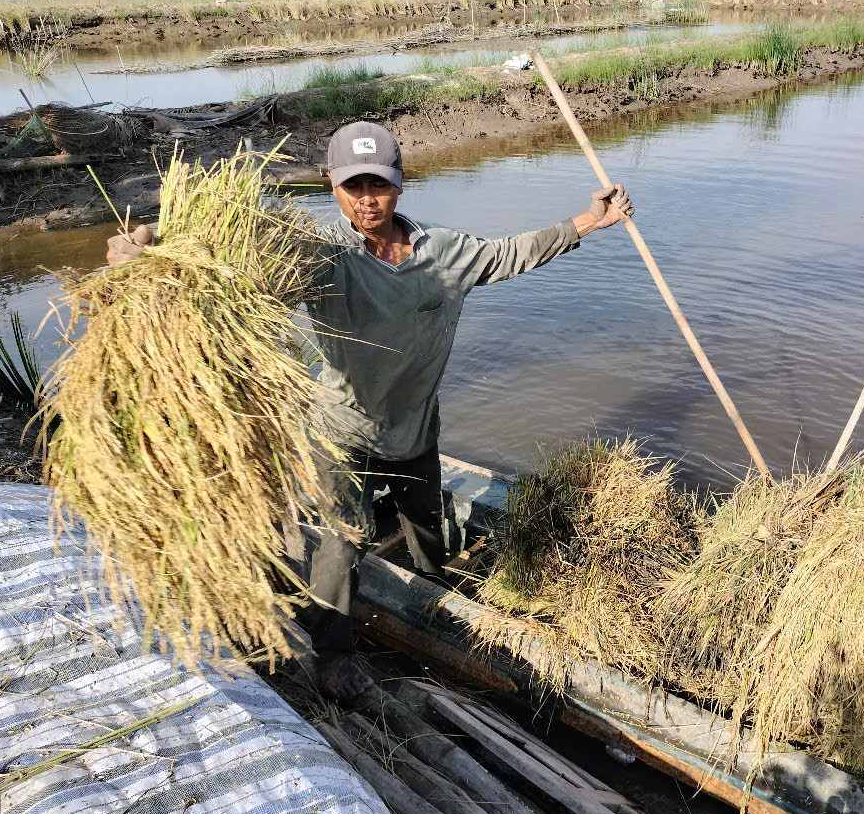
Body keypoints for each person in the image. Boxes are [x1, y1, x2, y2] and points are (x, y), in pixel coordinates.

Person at [107, 121, 634, 699]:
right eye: (351, 187)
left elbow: (512, 253)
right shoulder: (318, 257)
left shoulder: (444, 252)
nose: (365, 200)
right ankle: (333, 652)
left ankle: (431, 599)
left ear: (399, 186)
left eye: (377, 185)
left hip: (414, 426)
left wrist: (589, 221)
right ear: (334, 188)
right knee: (342, 540)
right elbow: (232, 260)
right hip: (339, 429)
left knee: (425, 523)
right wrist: (154, 249)